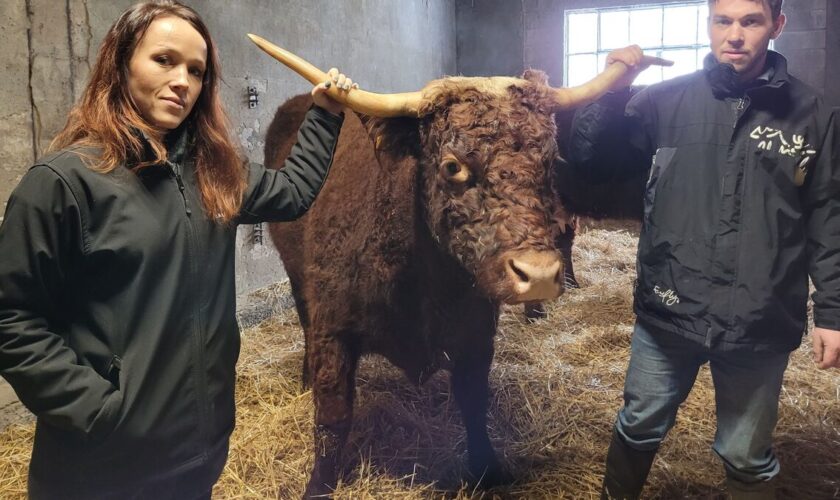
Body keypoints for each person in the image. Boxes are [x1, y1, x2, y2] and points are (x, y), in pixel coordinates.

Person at [0, 1, 357, 498]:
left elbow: (293, 192)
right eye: (163, 60)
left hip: (197, 457)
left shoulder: (215, 173)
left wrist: (325, 114)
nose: (182, 81)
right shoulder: (63, 183)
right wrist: (101, 414)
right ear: (120, 62)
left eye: (196, 70)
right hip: (98, 470)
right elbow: (12, 320)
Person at [567, 0, 840, 498]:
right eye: (723, 20)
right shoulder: (663, 101)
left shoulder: (813, 114)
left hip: (759, 315)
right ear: (710, 24)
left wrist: (832, 312)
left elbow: (828, 215)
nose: (735, 34)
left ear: (776, 26)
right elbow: (591, 159)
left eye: (751, 21)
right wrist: (612, 89)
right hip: (669, 307)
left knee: (747, 456)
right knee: (638, 424)